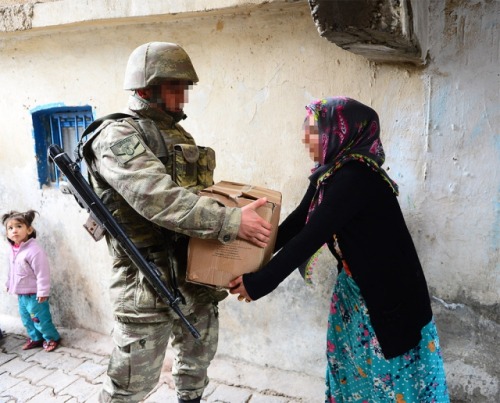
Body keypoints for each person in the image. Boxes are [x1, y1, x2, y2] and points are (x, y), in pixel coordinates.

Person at [80, 42, 271, 403]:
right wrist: (231, 221)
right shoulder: (117, 136)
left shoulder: (178, 136)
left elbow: (197, 195)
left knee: (196, 366)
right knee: (130, 385)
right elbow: (158, 198)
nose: (183, 95)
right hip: (145, 280)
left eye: (185, 87)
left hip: (192, 275)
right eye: (175, 86)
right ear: (145, 88)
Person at [229, 97, 450, 402]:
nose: (305, 138)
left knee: (387, 377)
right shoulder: (329, 174)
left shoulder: (356, 177)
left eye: (313, 130)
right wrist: (251, 256)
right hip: (354, 289)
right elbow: (297, 224)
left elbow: (311, 236)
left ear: (341, 131)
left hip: (385, 296)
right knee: (352, 368)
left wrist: (260, 282)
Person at [2, 210, 61, 352]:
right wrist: (9, 284)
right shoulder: (13, 250)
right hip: (21, 295)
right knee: (27, 319)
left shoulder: (34, 250)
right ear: (7, 233)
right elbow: (12, 270)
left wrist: (43, 292)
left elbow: (42, 273)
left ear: (29, 230)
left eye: (19, 226)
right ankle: (35, 338)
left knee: (40, 319)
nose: (14, 230)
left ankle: (51, 337)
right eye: (10, 228)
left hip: (35, 295)